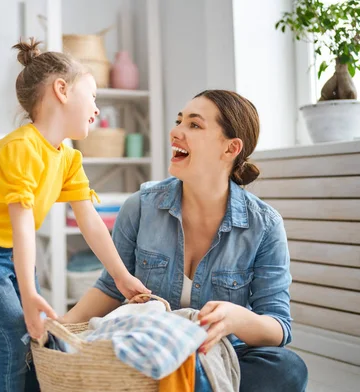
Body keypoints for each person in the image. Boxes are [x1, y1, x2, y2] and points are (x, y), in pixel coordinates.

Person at [61, 90, 309, 391]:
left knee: (288, 368)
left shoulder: (265, 225)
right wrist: (59, 331)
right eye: (179, 121)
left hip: (217, 354)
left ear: (230, 148)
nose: (175, 132)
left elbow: (279, 327)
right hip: (147, 347)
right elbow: (111, 286)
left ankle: (180, 379)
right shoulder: (141, 206)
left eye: (194, 125)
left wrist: (236, 319)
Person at [0, 37, 150, 392]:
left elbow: (90, 221)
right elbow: (23, 227)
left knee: (34, 333)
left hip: (11, 247)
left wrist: (120, 276)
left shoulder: (68, 156)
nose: (97, 109)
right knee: (15, 335)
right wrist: (29, 294)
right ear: (62, 90)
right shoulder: (20, 148)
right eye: (93, 96)